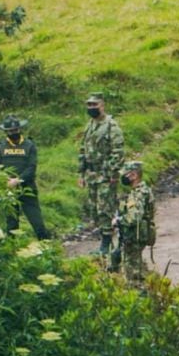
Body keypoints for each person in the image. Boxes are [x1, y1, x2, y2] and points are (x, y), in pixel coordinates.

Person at [77, 91, 125, 257]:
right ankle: (108, 241)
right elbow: (83, 149)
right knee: (94, 210)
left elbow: (118, 151)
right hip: (91, 174)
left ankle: (108, 246)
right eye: (89, 105)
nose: (91, 108)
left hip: (105, 174)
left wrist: (113, 173)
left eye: (94, 105)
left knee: (105, 209)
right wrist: (81, 173)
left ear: (102, 106)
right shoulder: (89, 125)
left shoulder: (111, 126)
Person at [0, 115, 51, 239]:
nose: (13, 133)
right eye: (10, 131)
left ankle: (48, 248)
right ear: (6, 132)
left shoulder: (29, 145)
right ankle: (12, 253)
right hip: (8, 190)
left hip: (27, 189)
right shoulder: (1, 147)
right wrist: (5, 180)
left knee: (38, 223)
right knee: (11, 226)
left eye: (15, 130)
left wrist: (17, 180)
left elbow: (31, 168)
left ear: (20, 129)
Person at [111, 161, 155, 285]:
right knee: (136, 267)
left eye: (126, 174)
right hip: (137, 235)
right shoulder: (142, 190)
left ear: (134, 175)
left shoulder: (139, 194)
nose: (123, 178)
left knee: (133, 273)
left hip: (135, 236)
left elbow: (134, 217)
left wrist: (118, 221)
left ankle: (140, 296)